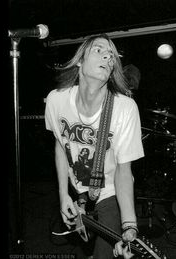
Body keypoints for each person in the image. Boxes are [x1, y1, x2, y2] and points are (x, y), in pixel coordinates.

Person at [45, 33, 144, 259]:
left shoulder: (124, 108)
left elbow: (123, 170)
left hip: (109, 192)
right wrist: (63, 194)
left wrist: (129, 225)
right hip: (76, 190)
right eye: (99, 50)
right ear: (79, 60)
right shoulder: (56, 100)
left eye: (111, 56)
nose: (108, 56)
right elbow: (61, 145)